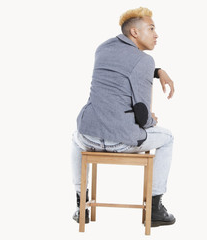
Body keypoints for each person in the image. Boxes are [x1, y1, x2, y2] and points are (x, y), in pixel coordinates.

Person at [71, 7, 176, 227]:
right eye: (151, 28)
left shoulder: (102, 48)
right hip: (120, 142)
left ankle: (81, 204)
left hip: (88, 136)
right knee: (168, 138)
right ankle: (155, 208)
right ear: (135, 33)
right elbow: (142, 115)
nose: (156, 35)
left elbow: (124, 68)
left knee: (75, 136)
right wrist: (153, 120)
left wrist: (158, 72)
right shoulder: (144, 61)